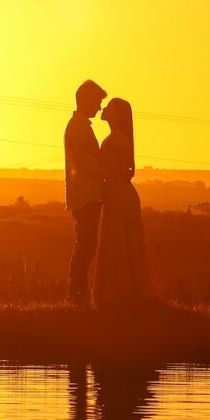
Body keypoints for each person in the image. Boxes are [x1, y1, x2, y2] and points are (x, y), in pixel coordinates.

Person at [92, 97, 149, 308]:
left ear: (117, 115)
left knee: (116, 242)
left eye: (109, 107)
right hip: (120, 194)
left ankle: (117, 293)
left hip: (117, 194)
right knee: (121, 242)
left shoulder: (115, 139)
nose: (103, 109)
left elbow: (113, 169)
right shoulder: (118, 137)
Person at [64, 80, 107, 303]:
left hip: (86, 195)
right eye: (97, 102)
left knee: (85, 244)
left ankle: (77, 293)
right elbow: (85, 162)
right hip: (86, 195)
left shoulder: (79, 126)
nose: (99, 108)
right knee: (86, 245)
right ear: (86, 100)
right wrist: (108, 171)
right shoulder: (79, 128)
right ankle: (77, 293)